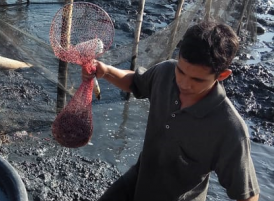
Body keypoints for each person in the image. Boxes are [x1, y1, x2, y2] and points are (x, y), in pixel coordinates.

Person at [82, 21, 260, 201]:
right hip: (139, 180)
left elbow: (248, 195)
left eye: (197, 80)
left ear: (222, 75)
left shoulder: (229, 129)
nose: (183, 83)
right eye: (181, 71)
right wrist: (105, 71)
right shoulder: (165, 72)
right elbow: (135, 82)